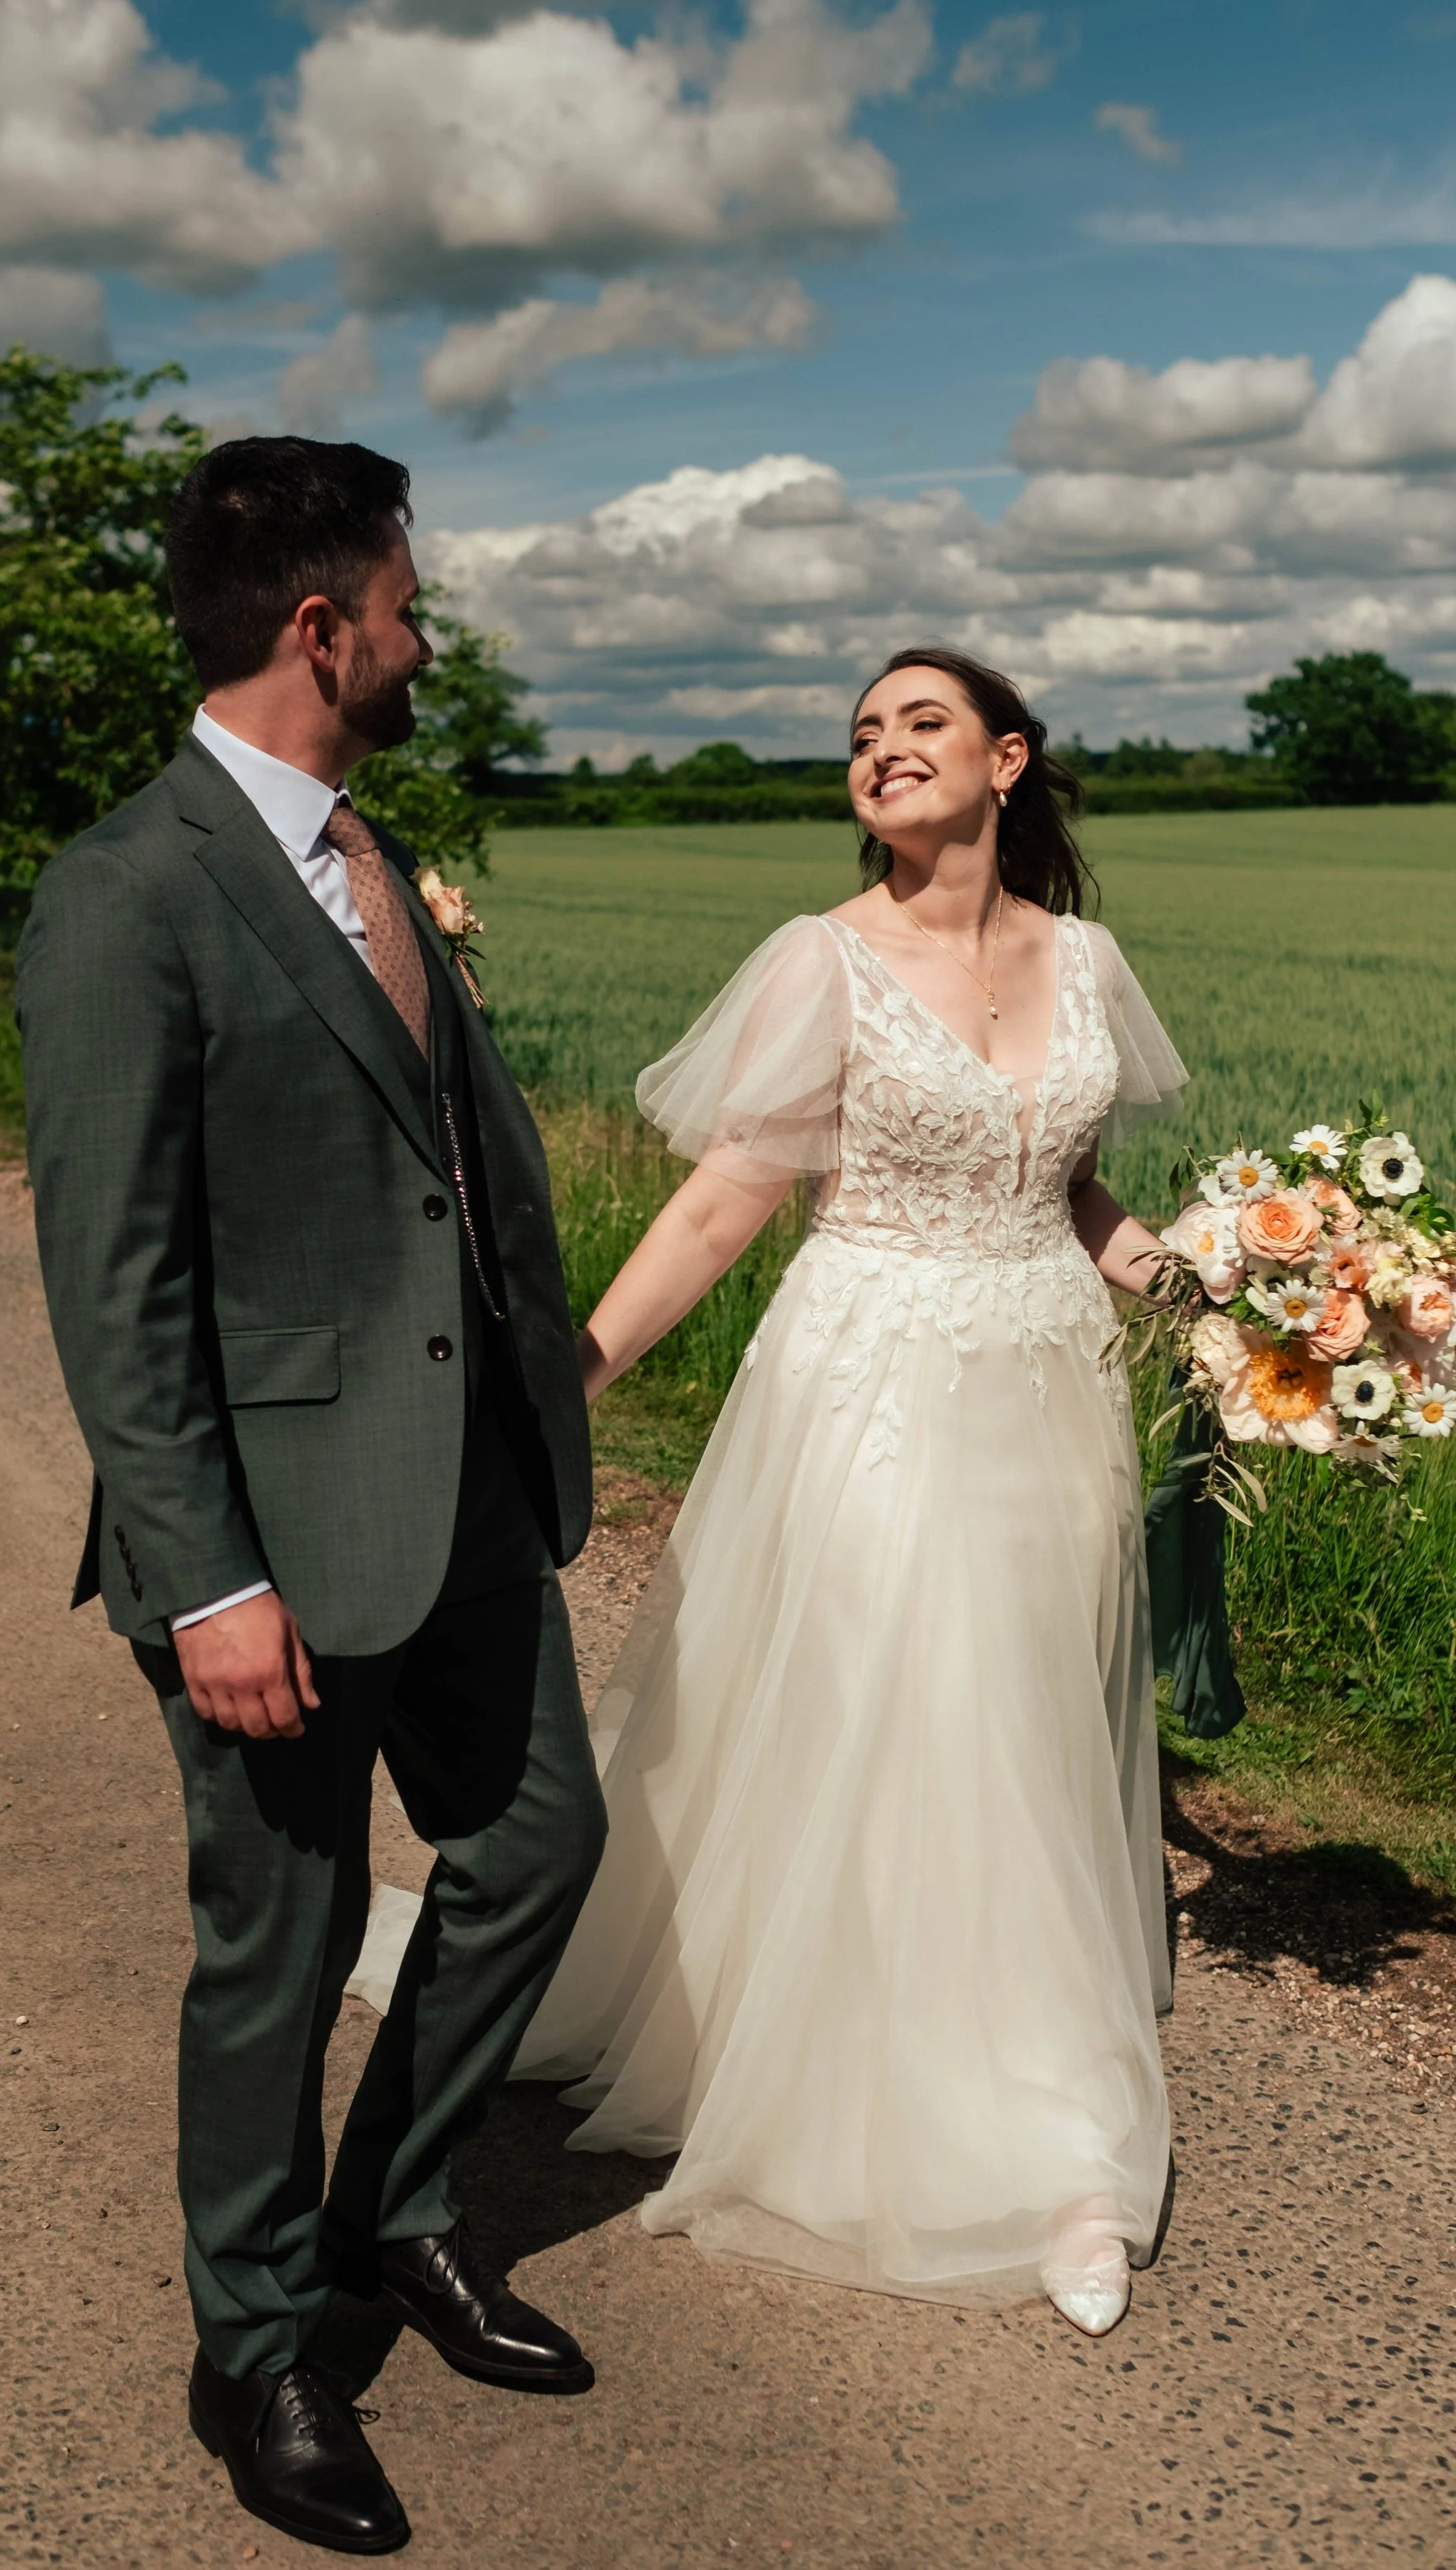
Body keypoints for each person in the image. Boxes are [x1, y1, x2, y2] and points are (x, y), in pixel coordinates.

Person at [16, 437, 605, 2557]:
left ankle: (397, 2207)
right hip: (267, 1540)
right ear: (317, 625)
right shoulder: (127, 890)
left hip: (461, 1494)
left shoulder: (370, 853)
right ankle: (256, 2343)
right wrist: (206, 1578)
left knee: (542, 1843)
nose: (428, 634)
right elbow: (118, 1281)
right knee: (273, 1947)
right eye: (409, 601)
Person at [516, 646, 1187, 2341]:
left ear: (1007, 761)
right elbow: (717, 1209)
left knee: (1027, 1725)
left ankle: (1005, 2055)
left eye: (921, 723)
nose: (881, 751)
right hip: (870, 1381)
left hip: (1049, 1390)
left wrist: (1216, 1292)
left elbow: (1075, 1191)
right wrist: (569, 1383)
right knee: (916, 1713)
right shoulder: (822, 962)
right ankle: (1036, 2146)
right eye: (860, 736)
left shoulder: (1086, 960)